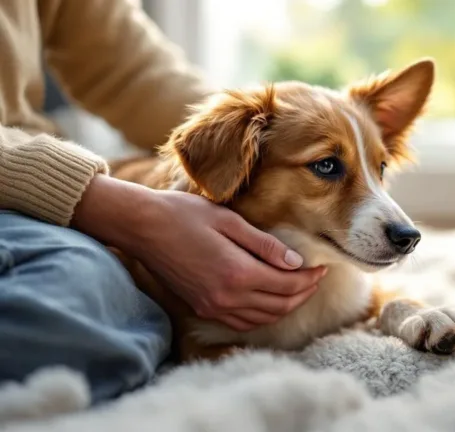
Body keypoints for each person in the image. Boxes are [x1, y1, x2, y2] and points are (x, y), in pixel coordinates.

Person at [0, 0, 327, 403]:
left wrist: (266, 131)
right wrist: (136, 216)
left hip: (34, 206)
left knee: (111, 297)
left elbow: (130, 71)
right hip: (26, 196)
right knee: (84, 298)